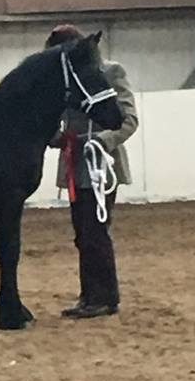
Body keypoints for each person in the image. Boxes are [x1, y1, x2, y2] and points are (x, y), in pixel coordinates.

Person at [45, 24, 139, 319]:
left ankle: (105, 297)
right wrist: (53, 138)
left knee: (95, 230)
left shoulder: (111, 72)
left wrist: (103, 141)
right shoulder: (65, 82)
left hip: (103, 164)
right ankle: (90, 295)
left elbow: (128, 120)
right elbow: (56, 121)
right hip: (75, 162)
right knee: (82, 233)